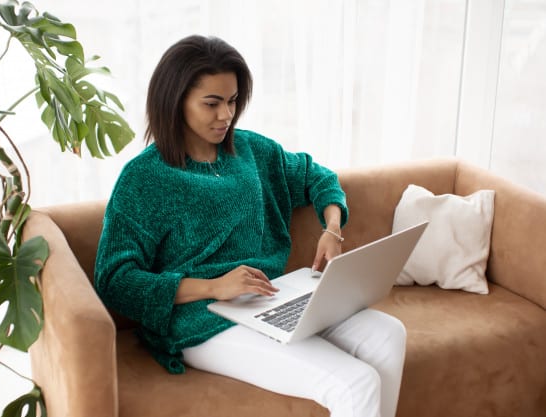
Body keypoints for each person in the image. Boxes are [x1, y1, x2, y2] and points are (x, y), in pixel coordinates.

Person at [94, 35, 406, 417]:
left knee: (390, 335)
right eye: (212, 103)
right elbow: (115, 280)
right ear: (175, 102)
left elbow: (315, 176)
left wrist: (332, 228)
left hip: (272, 297)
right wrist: (215, 286)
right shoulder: (144, 178)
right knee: (356, 383)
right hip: (203, 319)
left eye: (232, 101)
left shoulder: (252, 151)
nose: (226, 115)